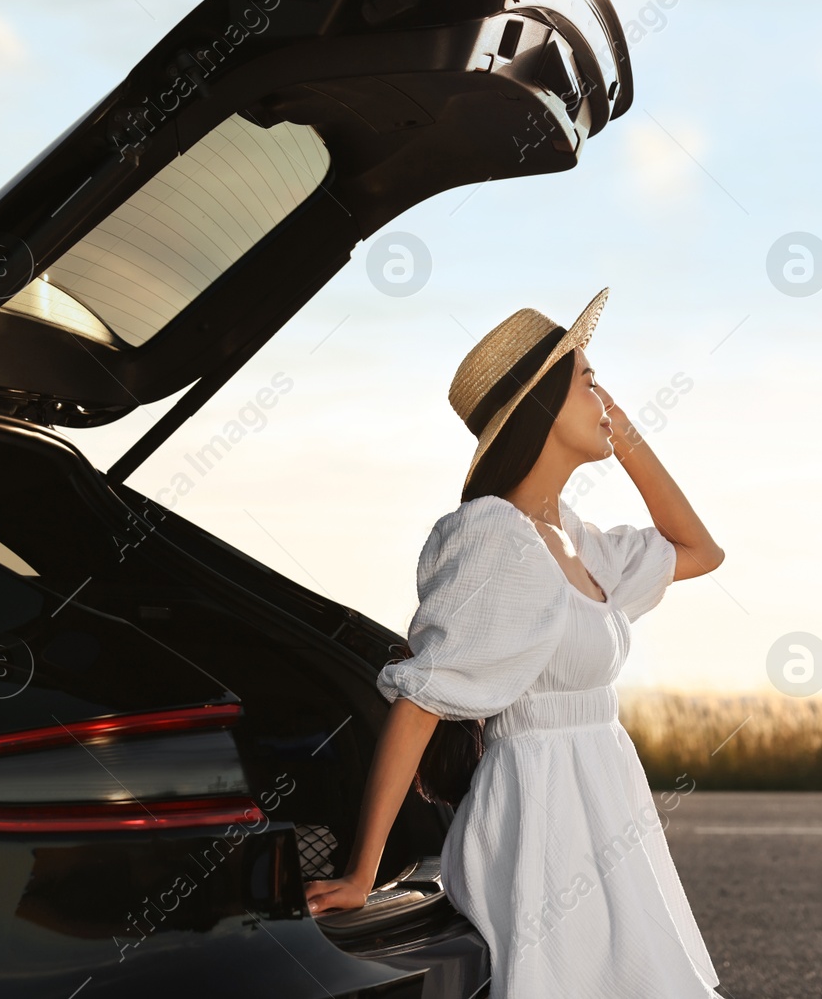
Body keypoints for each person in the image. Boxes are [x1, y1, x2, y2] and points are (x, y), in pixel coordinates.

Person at [302, 287, 731, 997]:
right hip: (542, 822)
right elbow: (422, 698)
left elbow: (701, 549)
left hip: (609, 812)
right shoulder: (493, 536)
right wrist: (362, 870)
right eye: (589, 380)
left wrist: (623, 431)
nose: (606, 398)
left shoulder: (577, 538)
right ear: (540, 405)